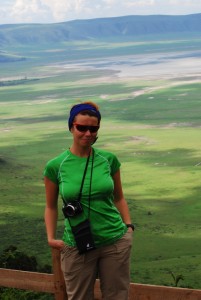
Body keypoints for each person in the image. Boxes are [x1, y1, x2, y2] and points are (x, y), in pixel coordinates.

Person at [44, 101, 134, 300]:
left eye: (93, 129)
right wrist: (50, 237)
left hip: (115, 241)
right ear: (71, 127)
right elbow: (50, 206)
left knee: (118, 296)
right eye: (81, 127)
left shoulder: (108, 159)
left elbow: (119, 197)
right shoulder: (56, 165)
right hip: (77, 243)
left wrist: (128, 227)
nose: (88, 133)